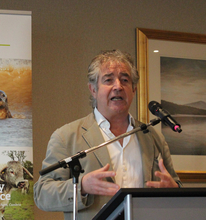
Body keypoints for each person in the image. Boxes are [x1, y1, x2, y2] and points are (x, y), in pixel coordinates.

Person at [33, 50, 182, 219]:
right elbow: (42, 194)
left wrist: (173, 190)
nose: (118, 86)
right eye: (108, 80)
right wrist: (81, 186)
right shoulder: (66, 136)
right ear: (93, 89)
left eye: (125, 80)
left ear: (133, 90)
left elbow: (175, 186)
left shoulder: (153, 137)